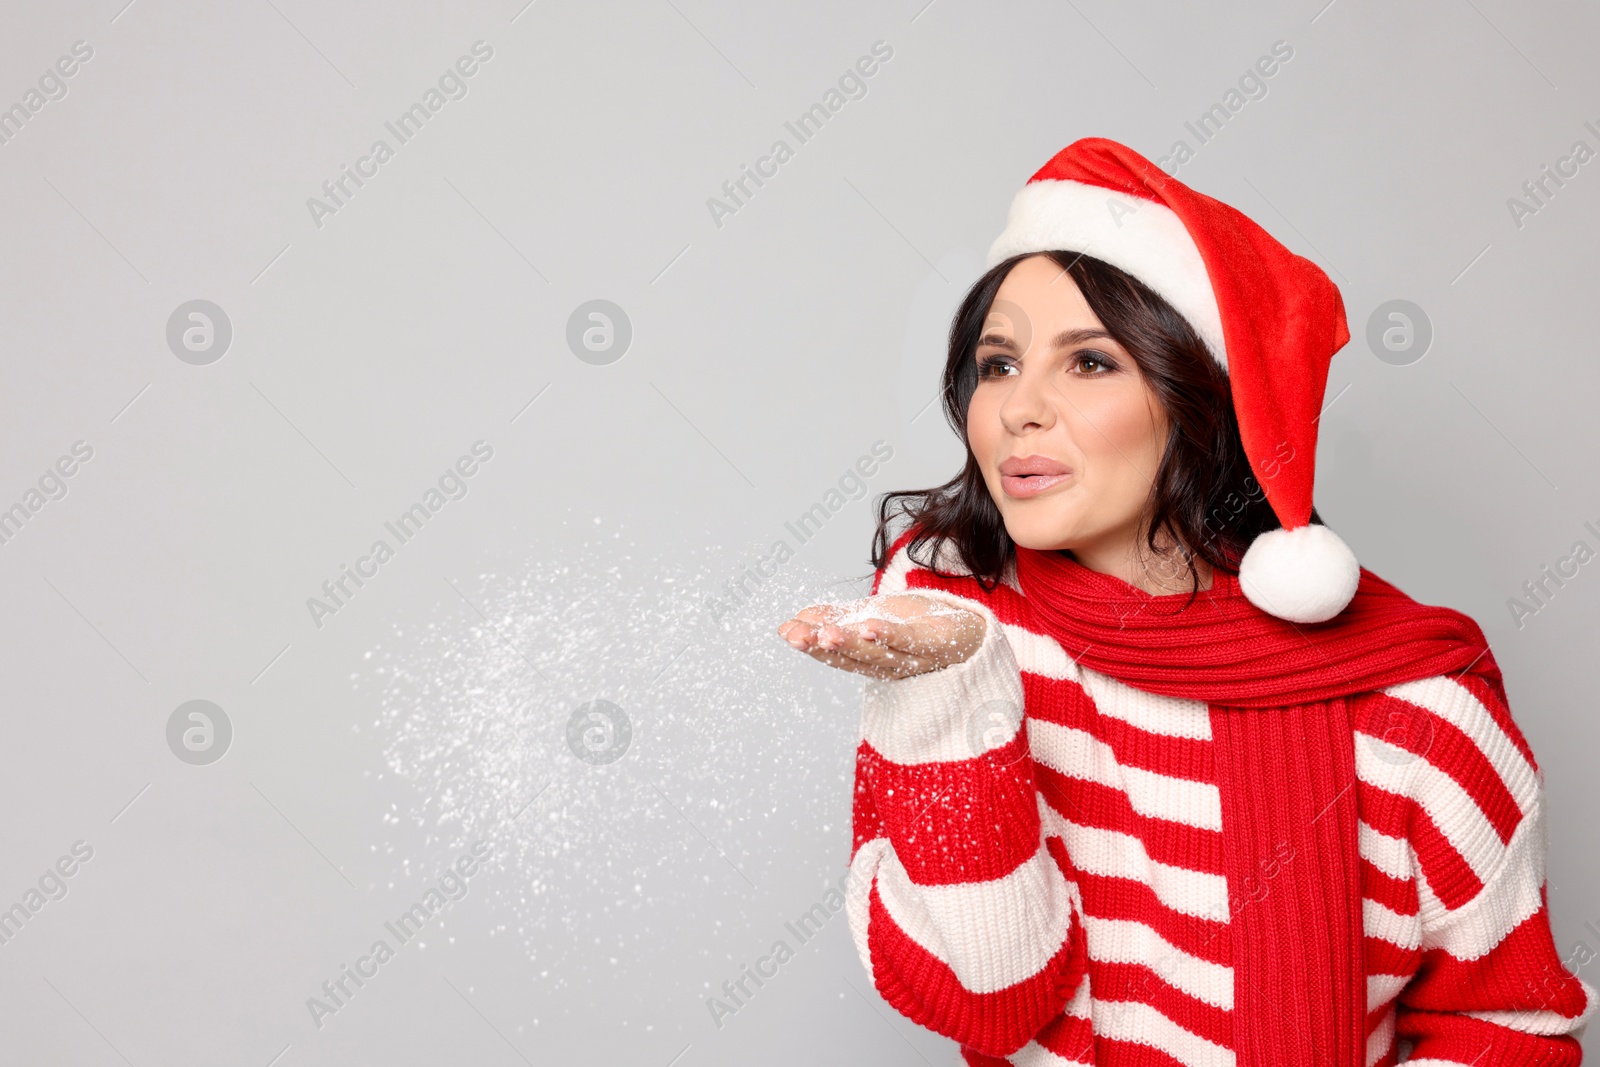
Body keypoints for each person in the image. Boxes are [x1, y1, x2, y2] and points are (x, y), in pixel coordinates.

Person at [778, 138, 1597, 1066]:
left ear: (1200, 397)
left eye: (1089, 363)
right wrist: (943, 701)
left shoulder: (1414, 716)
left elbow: (1505, 1031)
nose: (1016, 408)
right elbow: (985, 1001)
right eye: (997, 363)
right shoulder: (953, 631)